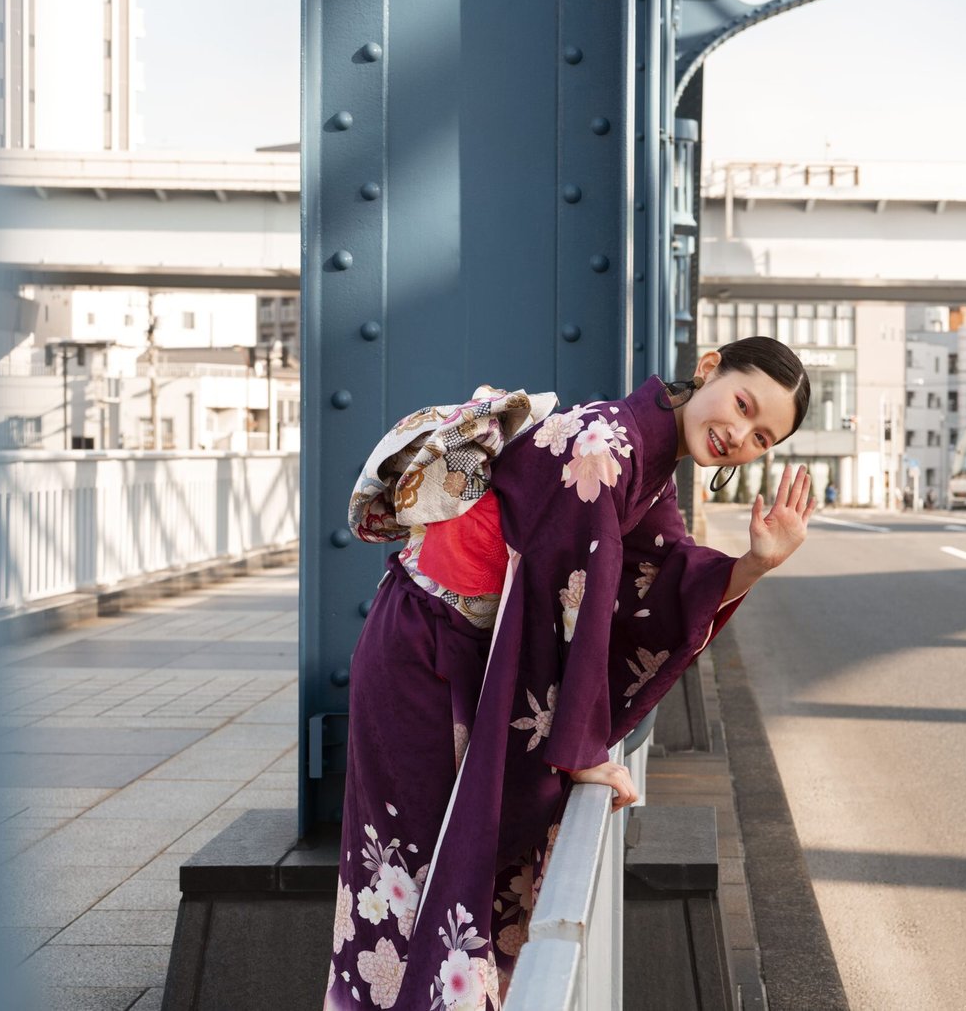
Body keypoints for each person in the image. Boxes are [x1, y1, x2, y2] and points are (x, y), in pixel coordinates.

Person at [326, 338, 813, 1010]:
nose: (740, 434)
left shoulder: (641, 456)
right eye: (742, 404)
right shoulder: (607, 450)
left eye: (763, 436)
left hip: (457, 653)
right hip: (426, 656)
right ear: (709, 367)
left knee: (432, 884)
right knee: (402, 885)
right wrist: (581, 751)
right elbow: (574, 596)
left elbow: (660, 576)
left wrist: (754, 564)